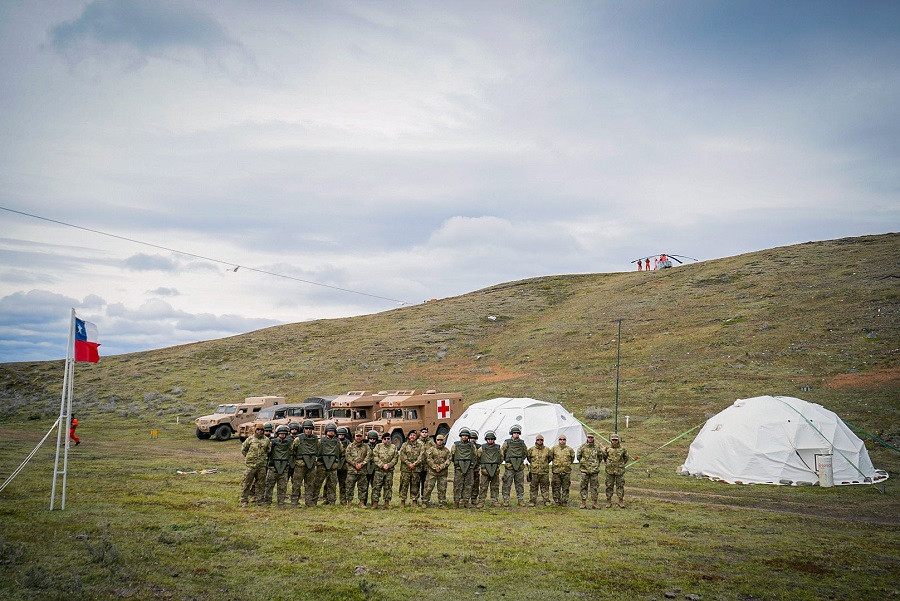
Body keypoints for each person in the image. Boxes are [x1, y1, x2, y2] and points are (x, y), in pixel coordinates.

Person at [240, 424, 271, 507]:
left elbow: (268, 450)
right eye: (258, 429)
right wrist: (250, 458)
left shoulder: (266, 440)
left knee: (261, 484)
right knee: (247, 483)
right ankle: (244, 500)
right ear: (255, 430)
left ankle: (259, 500)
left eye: (261, 430)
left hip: (261, 466)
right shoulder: (250, 439)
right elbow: (244, 450)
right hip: (251, 466)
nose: (259, 431)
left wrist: (262, 459)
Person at [290, 420, 320, 507]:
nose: (308, 430)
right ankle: (294, 501)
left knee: (310, 484)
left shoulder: (316, 439)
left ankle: (309, 501)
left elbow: (317, 449)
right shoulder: (298, 439)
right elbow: (293, 450)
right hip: (300, 465)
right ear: (303, 429)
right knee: (296, 483)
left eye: (310, 429)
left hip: (311, 465)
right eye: (306, 428)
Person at [264, 425, 292, 506]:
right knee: (269, 485)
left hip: (284, 468)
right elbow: (267, 452)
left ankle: (281, 502)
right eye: (281, 434)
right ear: (277, 434)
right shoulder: (272, 442)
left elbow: (292, 452)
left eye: (284, 434)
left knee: (282, 487)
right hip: (272, 468)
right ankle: (267, 501)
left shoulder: (289, 443)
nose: (282, 435)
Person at [317, 423, 344, 505]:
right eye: (329, 431)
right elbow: (317, 451)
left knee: (332, 484)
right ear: (326, 432)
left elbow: (341, 451)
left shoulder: (338, 442)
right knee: (318, 483)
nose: (331, 432)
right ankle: (313, 500)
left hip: (333, 466)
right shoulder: (320, 441)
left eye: (332, 431)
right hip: (321, 465)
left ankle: (332, 501)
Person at [500, 424, 528, 507]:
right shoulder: (507, 442)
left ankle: (520, 500)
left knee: (520, 485)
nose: (516, 434)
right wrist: (506, 461)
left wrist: (521, 460)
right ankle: (506, 500)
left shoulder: (522, 443)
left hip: (519, 467)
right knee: (506, 484)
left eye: (517, 433)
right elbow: (502, 452)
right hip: (509, 467)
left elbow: (525, 452)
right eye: (514, 433)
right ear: (511, 433)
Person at [371, 432, 399, 509]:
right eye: (385, 439)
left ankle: (386, 503)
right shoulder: (378, 446)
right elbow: (375, 457)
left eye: (388, 439)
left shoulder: (394, 447)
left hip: (389, 471)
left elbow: (395, 458)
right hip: (379, 471)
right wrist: (382, 465)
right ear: (382, 439)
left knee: (388, 487)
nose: (386, 440)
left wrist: (389, 465)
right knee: (376, 487)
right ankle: (375, 503)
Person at [423, 434, 452, 508]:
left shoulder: (446, 450)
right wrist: (435, 466)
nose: (439, 442)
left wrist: (442, 466)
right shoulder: (431, 449)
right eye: (438, 440)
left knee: (442, 488)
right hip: (432, 472)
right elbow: (429, 459)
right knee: (428, 487)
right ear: (436, 441)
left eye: (441, 440)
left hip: (442, 473)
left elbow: (448, 460)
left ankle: (442, 503)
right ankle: (425, 502)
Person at [398, 430, 424, 508]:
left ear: (416, 437)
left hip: (416, 469)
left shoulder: (420, 445)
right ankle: (402, 501)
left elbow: (421, 456)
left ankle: (414, 500)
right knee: (404, 484)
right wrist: (408, 463)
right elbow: (402, 455)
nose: (412, 436)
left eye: (414, 435)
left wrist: (414, 464)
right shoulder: (404, 445)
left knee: (415, 484)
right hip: (406, 469)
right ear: (408, 436)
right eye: (411, 435)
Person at [475, 431, 502, 508]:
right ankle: (481, 501)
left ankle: (494, 500)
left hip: (495, 470)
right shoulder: (482, 448)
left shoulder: (498, 448)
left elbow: (501, 457)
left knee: (495, 486)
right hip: (485, 470)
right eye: (488, 439)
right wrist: (483, 465)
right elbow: (477, 457)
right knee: (483, 486)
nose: (490, 440)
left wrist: (496, 465)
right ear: (486, 439)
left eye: (492, 439)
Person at [451, 428, 475, 508]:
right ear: (460, 436)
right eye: (463, 436)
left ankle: (466, 501)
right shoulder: (456, 445)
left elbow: (475, 456)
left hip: (469, 468)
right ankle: (456, 501)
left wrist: (472, 465)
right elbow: (452, 455)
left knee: (468, 484)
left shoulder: (472, 445)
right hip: (459, 468)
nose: (464, 437)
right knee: (457, 484)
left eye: (466, 436)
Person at [577, 433, 603, 509]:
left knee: (594, 487)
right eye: (589, 437)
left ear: (593, 438)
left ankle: (594, 503)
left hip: (594, 471)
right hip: (584, 471)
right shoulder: (582, 447)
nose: (590, 439)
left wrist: (595, 465)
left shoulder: (597, 447)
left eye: (591, 437)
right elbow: (578, 456)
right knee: (583, 487)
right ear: (587, 438)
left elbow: (600, 457)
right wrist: (583, 463)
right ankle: (583, 503)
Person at [603, 433, 629, 508]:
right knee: (609, 486)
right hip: (609, 471)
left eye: (616, 440)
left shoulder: (623, 449)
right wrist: (608, 464)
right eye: (613, 440)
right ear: (611, 440)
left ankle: (620, 501)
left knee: (620, 486)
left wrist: (621, 464)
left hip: (619, 471)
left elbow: (626, 458)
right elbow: (604, 457)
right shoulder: (607, 448)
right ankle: (608, 501)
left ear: (618, 440)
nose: (614, 441)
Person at [344, 431, 370, 507]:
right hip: (352, 470)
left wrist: (362, 463)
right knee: (349, 486)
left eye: (360, 436)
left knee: (362, 487)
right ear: (354, 437)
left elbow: (369, 456)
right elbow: (347, 456)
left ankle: (361, 502)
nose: (358, 437)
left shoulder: (366, 446)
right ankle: (349, 502)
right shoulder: (350, 446)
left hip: (362, 470)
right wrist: (354, 464)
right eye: (357, 436)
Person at [549, 434, 576, 506]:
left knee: (566, 487)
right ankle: (557, 501)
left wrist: (566, 465)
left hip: (566, 471)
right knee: (555, 487)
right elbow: (550, 458)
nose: (562, 441)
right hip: (556, 472)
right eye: (560, 439)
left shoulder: (570, 449)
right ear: (558, 440)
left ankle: (564, 501)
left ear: (566, 441)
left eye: (564, 439)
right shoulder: (554, 449)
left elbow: (572, 459)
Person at [526, 435, 552, 506]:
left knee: (545, 487)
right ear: (536, 440)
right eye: (538, 440)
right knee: (533, 487)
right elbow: (529, 458)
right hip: (534, 472)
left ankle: (546, 501)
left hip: (544, 473)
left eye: (541, 440)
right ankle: (532, 501)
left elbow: (550, 459)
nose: (539, 441)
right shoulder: (531, 450)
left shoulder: (547, 450)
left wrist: (544, 465)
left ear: (543, 441)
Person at [363, 430, 379, 506]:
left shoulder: (379, 446)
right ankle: (363, 502)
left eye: (374, 439)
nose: (372, 440)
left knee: (375, 487)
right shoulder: (364, 446)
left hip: (376, 469)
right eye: (371, 438)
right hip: (366, 468)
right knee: (364, 487)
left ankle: (374, 502)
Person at [336, 427, 351, 505]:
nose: (341, 436)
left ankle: (343, 500)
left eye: (342, 434)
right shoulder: (334, 442)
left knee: (343, 484)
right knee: (330, 483)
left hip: (344, 465)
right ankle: (327, 499)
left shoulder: (349, 443)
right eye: (339, 434)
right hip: (334, 464)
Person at [417, 426, 432, 501]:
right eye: (423, 432)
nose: (424, 434)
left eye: (425, 432)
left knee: (425, 483)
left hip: (427, 466)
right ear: (420, 433)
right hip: (418, 465)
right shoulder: (417, 442)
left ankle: (424, 499)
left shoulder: (431, 442)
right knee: (416, 483)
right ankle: (415, 499)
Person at [468, 430, 481, 507]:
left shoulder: (479, 447)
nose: (472, 439)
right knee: (467, 484)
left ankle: (474, 498)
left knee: (475, 484)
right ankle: (465, 499)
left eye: (474, 438)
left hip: (476, 468)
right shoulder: (467, 446)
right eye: (471, 438)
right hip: (468, 468)